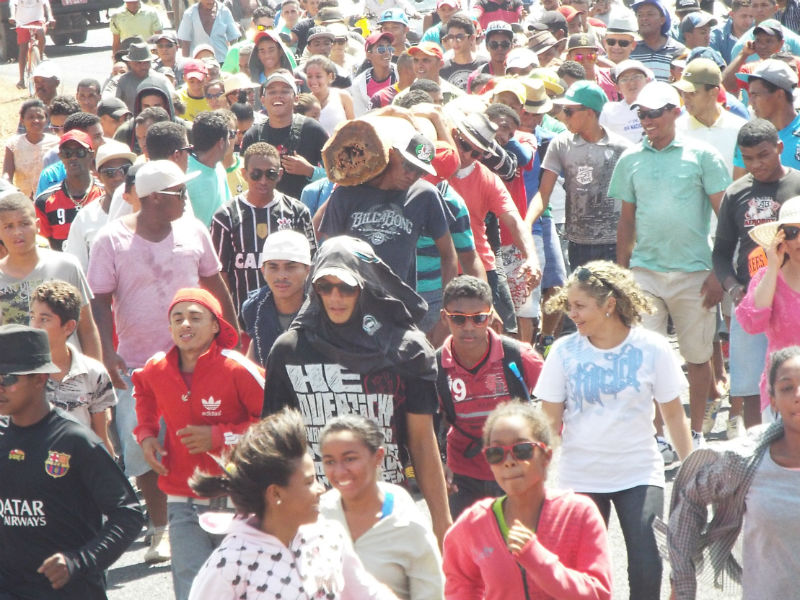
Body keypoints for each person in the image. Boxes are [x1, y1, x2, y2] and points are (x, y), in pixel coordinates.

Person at [88, 160, 238, 565]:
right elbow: (99, 301)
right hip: (139, 366)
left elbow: (215, 283)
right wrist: (106, 352)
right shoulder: (110, 240)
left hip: (200, 362)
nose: (186, 199)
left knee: (204, 441)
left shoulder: (194, 231)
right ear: (155, 197)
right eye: (179, 192)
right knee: (145, 448)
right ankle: (160, 530)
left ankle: (214, 522)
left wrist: (234, 337)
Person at [263, 236, 453, 546]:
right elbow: (276, 445)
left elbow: (421, 441)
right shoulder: (289, 351)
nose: (335, 297)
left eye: (346, 287)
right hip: (315, 519)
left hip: (387, 513)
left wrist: (442, 523)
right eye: (325, 286)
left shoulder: (407, 351)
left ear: (365, 285)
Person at [535, 260, 693, 599]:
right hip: (579, 476)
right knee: (578, 575)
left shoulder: (653, 348)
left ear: (609, 304)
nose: (572, 314)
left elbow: (674, 416)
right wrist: (537, 483)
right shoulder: (563, 351)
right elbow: (548, 424)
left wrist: (694, 472)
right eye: (569, 305)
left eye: (580, 306)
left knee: (647, 567)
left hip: (639, 472)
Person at [611, 81, 731, 448]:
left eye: (653, 113)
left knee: (697, 357)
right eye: (642, 114)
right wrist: (621, 276)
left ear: (675, 112)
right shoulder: (630, 159)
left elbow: (725, 218)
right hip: (645, 273)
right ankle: (659, 435)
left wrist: (719, 273)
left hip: (695, 272)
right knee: (646, 358)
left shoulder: (703, 155)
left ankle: (695, 434)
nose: (647, 120)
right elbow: (626, 222)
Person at [132, 288, 263, 600]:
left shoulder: (237, 368)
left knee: (240, 585)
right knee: (192, 585)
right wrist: (146, 434)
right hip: (182, 495)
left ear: (216, 325)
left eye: (195, 317)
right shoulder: (157, 367)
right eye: (177, 318)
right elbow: (143, 391)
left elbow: (273, 422)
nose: (185, 324)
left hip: (238, 495)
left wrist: (218, 436)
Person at [186, 408, 397, 599]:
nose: (321, 489)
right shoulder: (230, 563)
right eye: (309, 482)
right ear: (276, 493)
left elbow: (368, 594)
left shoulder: (329, 537)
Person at [0, 324, 143, 599]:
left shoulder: (75, 440)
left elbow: (128, 514)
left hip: (71, 592)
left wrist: (80, 561)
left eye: (8, 378)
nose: (0, 387)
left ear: (39, 379)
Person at [665, 346, 800, 599]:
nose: (798, 394)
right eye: (787, 388)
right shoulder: (745, 462)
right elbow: (690, 500)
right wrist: (682, 582)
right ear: (772, 399)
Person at [442, 401, 613, 600]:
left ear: (546, 456)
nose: (509, 461)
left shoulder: (578, 514)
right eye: (496, 453)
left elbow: (598, 594)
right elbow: (460, 584)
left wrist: (536, 558)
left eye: (522, 450)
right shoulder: (474, 524)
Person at [712, 119, 800, 435]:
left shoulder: (797, 184)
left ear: (779, 148)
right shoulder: (736, 192)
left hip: (792, 293)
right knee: (751, 385)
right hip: (754, 297)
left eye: (763, 155)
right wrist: (733, 288)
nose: (756, 164)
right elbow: (721, 252)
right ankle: (757, 448)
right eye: (747, 158)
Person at [437, 275, 543, 517]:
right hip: (462, 474)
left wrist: (541, 456)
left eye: (478, 318)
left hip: (517, 470)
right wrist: (438, 465)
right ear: (444, 317)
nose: (469, 327)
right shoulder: (435, 367)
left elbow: (556, 408)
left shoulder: (520, 357)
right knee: (467, 540)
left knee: (520, 539)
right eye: (458, 318)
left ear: (491, 316)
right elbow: (425, 426)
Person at [320, 414, 445, 599]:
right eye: (330, 462)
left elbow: (431, 593)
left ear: (378, 457)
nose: (339, 471)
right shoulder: (317, 516)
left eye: (350, 459)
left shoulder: (406, 522)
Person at [319, 128, 457, 290]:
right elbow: (329, 251)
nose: (411, 176)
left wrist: (448, 300)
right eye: (408, 166)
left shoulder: (425, 195)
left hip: (399, 301)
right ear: (391, 154)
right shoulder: (347, 193)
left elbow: (449, 255)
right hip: (351, 297)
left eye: (419, 172)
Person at [527, 80, 631, 268]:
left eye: (569, 111)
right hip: (578, 244)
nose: (563, 117)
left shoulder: (621, 148)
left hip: (614, 243)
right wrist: (526, 224)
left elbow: (633, 201)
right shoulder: (561, 144)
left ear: (589, 112)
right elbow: (543, 194)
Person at [211, 142, 316, 317]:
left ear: (280, 174)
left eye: (270, 174)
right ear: (244, 174)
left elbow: (311, 264)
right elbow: (220, 274)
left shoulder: (297, 212)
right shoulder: (226, 215)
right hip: (243, 318)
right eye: (256, 174)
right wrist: (230, 320)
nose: (263, 180)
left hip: (292, 317)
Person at [0, 193, 101, 358]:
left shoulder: (66, 266)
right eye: (8, 226)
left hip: (68, 371)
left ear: (37, 225)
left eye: (24, 224)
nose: (17, 232)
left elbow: (87, 329)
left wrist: (97, 371)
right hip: (17, 372)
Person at [29, 280, 117, 455]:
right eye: (32, 317)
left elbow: (100, 436)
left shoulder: (93, 373)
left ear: (69, 327)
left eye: (44, 319)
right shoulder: (20, 373)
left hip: (78, 464)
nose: (35, 326)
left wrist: (108, 468)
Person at [736, 196, 800, 417]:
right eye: (792, 232)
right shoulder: (767, 277)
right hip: (783, 394)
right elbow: (752, 324)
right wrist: (773, 266)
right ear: (781, 239)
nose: (799, 239)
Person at [241, 71, 329, 201]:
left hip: (307, 208)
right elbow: (243, 178)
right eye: (272, 92)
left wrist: (310, 171)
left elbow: (337, 175)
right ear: (263, 100)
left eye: (285, 91)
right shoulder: (253, 135)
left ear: (296, 98)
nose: (278, 96)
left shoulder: (313, 129)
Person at [64, 141, 136, 272]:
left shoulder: (148, 211)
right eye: (110, 173)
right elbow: (77, 270)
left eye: (125, 170)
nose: (118, 177)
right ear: (98, 176)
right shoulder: (85, 218)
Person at [241, 230, 311, 366]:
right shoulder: (253, 308)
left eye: (290, 267)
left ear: (307, 270)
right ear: (263, 270)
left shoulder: (322, 306)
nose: (281, 276)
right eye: (273, 267)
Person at [35, 131, 104, 252]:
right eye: (67, 153)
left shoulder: (105, 195)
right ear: (60, 156)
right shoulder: (44, 201)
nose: (73, 158)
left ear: (91, 155)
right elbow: (44, 247)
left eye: (80, 152)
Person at [3, 99, 59, 199]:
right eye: (31, 117)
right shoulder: (13, 144)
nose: (36, 121)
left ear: (46, 119)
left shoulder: (56, 143)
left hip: (51, 198)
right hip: (23, 199)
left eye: (40, 117)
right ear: (22, 120)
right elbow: (7, 174)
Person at [186, 111, 233, 226]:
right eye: (228, 138)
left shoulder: (219, 168)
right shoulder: (185, 176)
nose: (229, 143)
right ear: (221, 142)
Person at [629, 0, 686, 82]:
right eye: (640, 15)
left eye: (650, 14)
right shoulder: (631, 49)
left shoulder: (678, 50)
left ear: (662, 20)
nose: (644, 18)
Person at [600, 60, 654, 143]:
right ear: (617, 87)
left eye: (636, 77)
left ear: (647, 81)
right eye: (624, 79)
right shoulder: (609, 111)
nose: (632, 83)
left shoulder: (660, 107)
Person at [8, 0, 53, 89]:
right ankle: (21, 80)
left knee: (41, 34)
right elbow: (12, 4)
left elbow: (46, 4)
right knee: (23, 48)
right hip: (22, 23)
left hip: (38, 21)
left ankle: (40, 57)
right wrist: (12, 16)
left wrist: (50, 17)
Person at [305, 55, 354, 136]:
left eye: (318, 76)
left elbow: (354, 129)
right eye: (309, 76)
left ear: (330, 77)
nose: (313, 81)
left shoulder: (343, 97)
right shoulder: (304, 102)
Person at [439, 14, 487, 91]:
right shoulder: (442, 68)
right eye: (451, 37)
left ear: (472, 38)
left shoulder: (485, 65)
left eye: (460, 37)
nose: (455, 41)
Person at [710, 0, 755, 64]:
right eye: (744, 16)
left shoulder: (759, 32)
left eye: (751, 16)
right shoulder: (716, 35)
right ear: (732, 14)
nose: (748, 21)